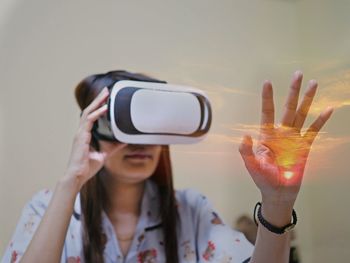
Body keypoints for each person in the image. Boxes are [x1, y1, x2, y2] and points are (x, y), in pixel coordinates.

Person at [1, 70, 333, 263]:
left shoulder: (191, 211)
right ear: (93, 130)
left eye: (150, 125)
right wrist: (71, 181)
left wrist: (277, 203)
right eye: (123, 123)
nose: (139, 141)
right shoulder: (47, 207)